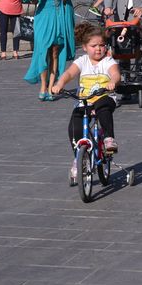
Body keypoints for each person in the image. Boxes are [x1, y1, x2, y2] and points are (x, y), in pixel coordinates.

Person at [52, 22, 121, 179]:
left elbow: (116, 74)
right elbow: (69, 73)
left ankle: (109, 139)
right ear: (84, 47)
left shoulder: (108, 61)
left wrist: (113, 82)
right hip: (85, 101)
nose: (98, 49)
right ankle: (79, 159)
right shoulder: (82, 61)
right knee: (74, 127)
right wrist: (59, 84)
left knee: (103, 107)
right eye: (93, 46)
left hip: (105, 98)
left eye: (102, 45)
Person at [23, 0, 75, 101]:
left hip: (58, 17)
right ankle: (43, 85)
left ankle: (52, 87)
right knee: (42, 51)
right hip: (42, 19)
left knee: (54, 52)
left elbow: (67, 1)